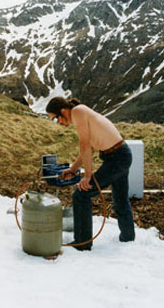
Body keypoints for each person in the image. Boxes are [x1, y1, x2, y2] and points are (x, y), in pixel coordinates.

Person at [46, 96, 135, 251]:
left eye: (56, 119)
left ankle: (82, 243)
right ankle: (128, 239)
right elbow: (89, 147)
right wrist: (74, 169)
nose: (58, 123)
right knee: (120, 199)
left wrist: (87, 176)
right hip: (121, 154)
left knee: (81, 194)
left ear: (63, 111)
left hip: (117, 158)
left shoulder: (78, 111)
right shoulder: (81, 112)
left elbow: (85, 145)